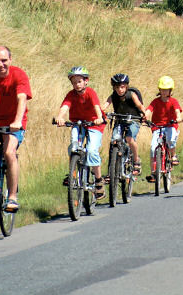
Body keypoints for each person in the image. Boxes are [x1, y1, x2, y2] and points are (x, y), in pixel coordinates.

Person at [0, 46, 32, 212]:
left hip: (12, 123)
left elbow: (22, 98)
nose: (0, 64)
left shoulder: (18, 75)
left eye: (4, 60)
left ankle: (12, 197)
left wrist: (17, 121)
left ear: (10, 60)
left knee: (9, 153)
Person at [55, 67, 106, 200]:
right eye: (74, 82)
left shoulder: (90, 93)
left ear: (86, 81)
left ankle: (99, 180)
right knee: (73, 146)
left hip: (94, 123)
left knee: (91, 150)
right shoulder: (71, 94)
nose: (76, 84)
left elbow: (96, 106)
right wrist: (60, 117)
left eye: (79, 81)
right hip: (77, 123)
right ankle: (73, 172)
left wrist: (99, 117)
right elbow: (65, 106)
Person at [101, 74, 145, 175]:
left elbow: (139, 105)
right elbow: (104, 106)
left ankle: (136, 160)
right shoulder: (113, 96)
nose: (120, 90)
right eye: (117, 87)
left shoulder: (131, 95)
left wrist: (144, 114)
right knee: (114, 141)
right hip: (120, 121)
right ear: (114, 88)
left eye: (122, 87)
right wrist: (98, 113)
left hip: (133, 120)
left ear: (126, 87)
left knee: (130, 139)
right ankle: (111, 173)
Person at [145, 76, 183, 183]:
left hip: (170, 125)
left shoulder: (173, 101)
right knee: (153, 148)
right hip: (157, 126)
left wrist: (178, 118)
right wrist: (146, 117)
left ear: (170, 90)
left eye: (166, 90)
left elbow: (177, 111)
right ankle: (153, 172)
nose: (164, 92)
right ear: (159, 90)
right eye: (162, 89)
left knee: (171, 139)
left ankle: (173, 155)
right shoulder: (155, 101)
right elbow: (149, 110)